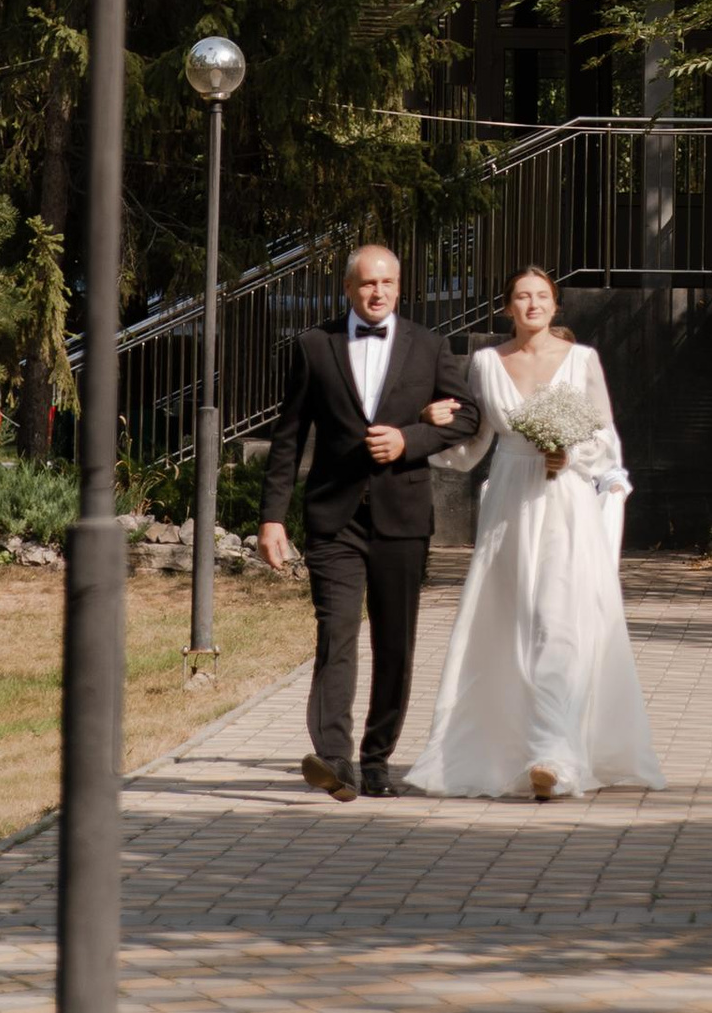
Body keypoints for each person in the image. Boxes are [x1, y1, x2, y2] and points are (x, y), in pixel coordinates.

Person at [404, 265, 664, 803]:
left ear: (555, 305)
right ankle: (498, 748)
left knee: (558, 620)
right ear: (507, 307)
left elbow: (604, 439)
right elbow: (474, 440)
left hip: (566, 501)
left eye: (541, 296)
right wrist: (421, 442)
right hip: (509, 503)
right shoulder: (484, 364)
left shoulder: (583, 361)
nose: (531, 304)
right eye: (521, 296)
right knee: (509, 620)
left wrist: (571, 454)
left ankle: (553, 756)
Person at [258, 244, 471, 798]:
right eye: (367, 283)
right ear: (348, 289)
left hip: (403, 517)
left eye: (388, 283)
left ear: (400, 288)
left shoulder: (429, 346)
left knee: (395, 644)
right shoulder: (314, 346)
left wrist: (411, 439)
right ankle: (334, 759)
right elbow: (288, 437)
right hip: (335, 517)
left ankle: (377, 760)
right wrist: (272, 519)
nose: (378, 292)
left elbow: (468, 414)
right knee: (337, 635)